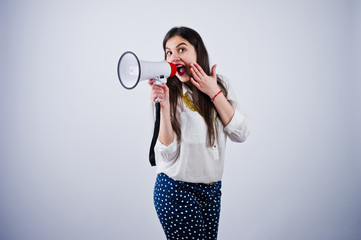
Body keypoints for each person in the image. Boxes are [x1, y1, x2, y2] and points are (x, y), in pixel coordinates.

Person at [148, 26, 250, 240]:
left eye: (181, 49)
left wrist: (213, 91)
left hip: (212, 192)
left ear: (198, 52)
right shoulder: (167, 91)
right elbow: (166, 154)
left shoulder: (221, 84)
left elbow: (241, 133)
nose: (174, 57)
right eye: (168, 52)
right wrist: (164, 107)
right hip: (176, 190)